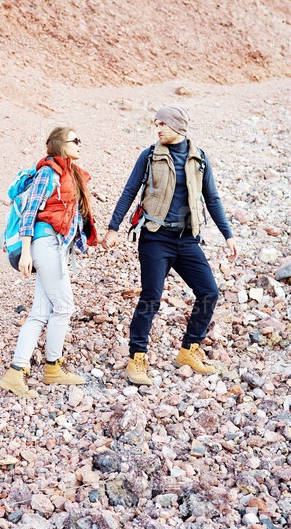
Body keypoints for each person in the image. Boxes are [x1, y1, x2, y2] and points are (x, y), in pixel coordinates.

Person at [101, 104, 238, 385]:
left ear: (177, 126)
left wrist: (228, 235)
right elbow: (129, 191)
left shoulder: (199, 159)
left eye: (162, 124)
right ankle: (137, 358)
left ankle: (189, 350)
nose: (158, 129)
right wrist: (113, 228)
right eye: (156, 124)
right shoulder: (150, 156)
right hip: (155, 237)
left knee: (209, 292)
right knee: (151, 296)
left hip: (187, 239)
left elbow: (212, 198)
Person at [0, 126, 99, 398]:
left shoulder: (69, 173)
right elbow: (30, 212)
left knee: (40, 311)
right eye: (75, 140)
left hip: (55, 246)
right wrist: (26, 252)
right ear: (60, 145)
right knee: (64, 306)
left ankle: (16, 372)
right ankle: (53, 367)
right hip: (44, 244)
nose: (79, 144)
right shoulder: (48, 172)